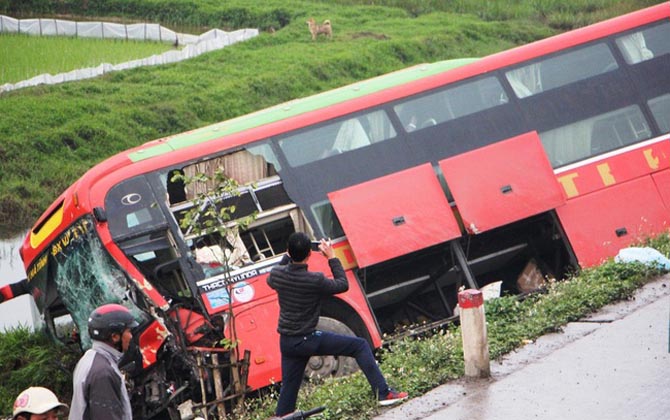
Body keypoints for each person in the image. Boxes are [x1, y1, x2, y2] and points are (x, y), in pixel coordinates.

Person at [267, 232, 408, 416]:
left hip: (287, 343)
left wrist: (288, 256)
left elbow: (274, 275)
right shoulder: (314, 280)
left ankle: (282, 417)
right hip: (307, 338)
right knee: (359, 346)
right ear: (310, 253)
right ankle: (384, 393)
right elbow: (342, 284)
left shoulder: (277, 275)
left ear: (288, 252)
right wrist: (332, 257)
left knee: (289, 391)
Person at [68, 304, 139, 420]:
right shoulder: (103, 373)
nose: (131, 336)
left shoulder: (90, 358)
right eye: (129, 331)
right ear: (115, 337)